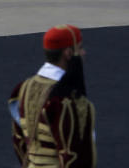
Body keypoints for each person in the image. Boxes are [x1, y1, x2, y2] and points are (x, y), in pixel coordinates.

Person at [9, 25, 96, 168]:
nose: (83, 52)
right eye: (79, 48)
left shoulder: (23, 89)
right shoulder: (66, 98)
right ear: (68, 53)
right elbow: (75, 156)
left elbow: (19, 141)